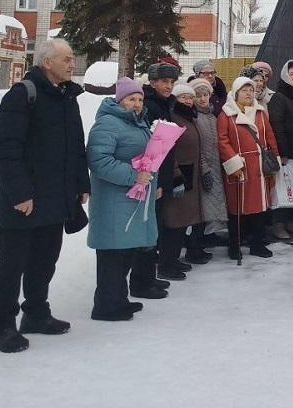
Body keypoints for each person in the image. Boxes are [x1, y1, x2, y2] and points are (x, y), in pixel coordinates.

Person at [0, 39, 89, 353]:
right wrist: (19, 193)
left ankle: (36, 314)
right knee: (12, 264)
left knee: (44, 261)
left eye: (72, 58)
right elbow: (5, 149)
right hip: (24, 201)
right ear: (46, 62)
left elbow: (76, 146)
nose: (72, 64)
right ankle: (0, 326)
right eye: (66, 59)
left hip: (55, 199)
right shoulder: (22, 95)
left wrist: (81, 184)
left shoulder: (67, 97)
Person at [86, 77, 157, 320]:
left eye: (140, 99)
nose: (137, 104)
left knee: (125, 251)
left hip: (132, 198)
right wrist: (134, 175)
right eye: (131, 99)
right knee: (112, 255)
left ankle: (118, 299)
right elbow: (99, 161)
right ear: (119, 101)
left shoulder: (137, 123)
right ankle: (105, 306)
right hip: (112, 200)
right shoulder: (107, 123)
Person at [130, 60, 180, 295]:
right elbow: (148, 146)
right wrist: (156, 181)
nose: (168, 86)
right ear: (152, 82)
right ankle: (141, 280)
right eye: (164, 81)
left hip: (161, 173)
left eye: (171, 82)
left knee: (154, 228)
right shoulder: (149, 106)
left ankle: (149, 275)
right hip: (150, 176)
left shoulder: (164, 103)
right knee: (147, 229)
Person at [218, 77, 281, 260]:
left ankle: (257, 244)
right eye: (244, 90)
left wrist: (274, 160)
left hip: (260, 169)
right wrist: (234, 163)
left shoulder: (260, 112)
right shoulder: (226, 114)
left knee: (260, 209)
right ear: (236, 93)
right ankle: (234, 246)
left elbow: (270, 136)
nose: (248, 93)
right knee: (237, 210)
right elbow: (222, 141)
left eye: (251, 90)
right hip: (239, 168)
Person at [158, 84, 206, 278]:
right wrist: (176, 174)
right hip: (178, 176)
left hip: (191, 175)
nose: (187, 100)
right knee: (173, 222)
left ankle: (173, 259)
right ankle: (165, 265)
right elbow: (167, 150)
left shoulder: (189, 117)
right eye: (183, 97)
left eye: (190, 97)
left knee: (182, 222)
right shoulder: (172, 117)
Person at [267, 59, 293, 240]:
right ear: (285, 76)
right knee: (283, 188)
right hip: (287, 152)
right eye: (292, 73)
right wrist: (282, 152)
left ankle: (291, 221)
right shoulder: (280, 97)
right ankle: (279, 224)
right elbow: (277, 125)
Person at [191, 79, 228, 250]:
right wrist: (204, 168)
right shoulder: (194, 117)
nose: (202, 99)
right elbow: (196, 147)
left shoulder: (213, 116)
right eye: (198, 95)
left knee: (211, 207)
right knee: (201, 209)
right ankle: (195, 246)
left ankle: (206, 238)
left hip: (216, 167)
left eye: (205, 95)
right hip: (203, 169)